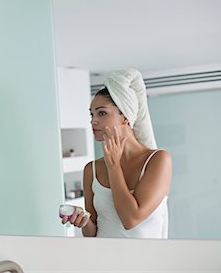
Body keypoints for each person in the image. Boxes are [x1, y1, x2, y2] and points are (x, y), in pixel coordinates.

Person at [61, 69, 171, 238]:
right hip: (102, 260)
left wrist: (114, 167)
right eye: (92, 114)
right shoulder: (92, 170)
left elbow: (131, 219)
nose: (93, 121)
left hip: (146, 262)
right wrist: (83, 221)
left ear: (125, 117)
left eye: (102, 113)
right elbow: (92, 235)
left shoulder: (158, 160)